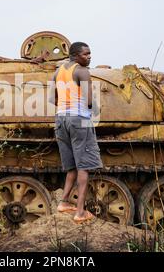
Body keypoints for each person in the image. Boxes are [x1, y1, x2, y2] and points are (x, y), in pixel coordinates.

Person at [48, 41, 103, 223]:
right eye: (86, 54)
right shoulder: (82, 71)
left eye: (89, 54)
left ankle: (63, 202)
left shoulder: (57, 72)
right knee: (84, 167)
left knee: (71, 166)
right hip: (80, 120)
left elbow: (52, 99)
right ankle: (80, 212)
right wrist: (96, 110)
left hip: (61, 119)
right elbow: (88, 101)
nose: (89, 57)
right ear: (76, 55)